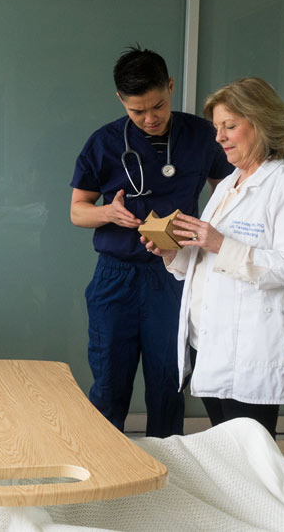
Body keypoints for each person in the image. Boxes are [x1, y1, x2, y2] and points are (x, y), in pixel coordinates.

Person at [143, 77, 284, 439]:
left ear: (260, 124)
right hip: (212, 343)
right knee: (227, 448)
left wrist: (220, 243)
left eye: (229, 126)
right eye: (216, 128)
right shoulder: (228, 184)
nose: (219, 137)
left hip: (253, 348)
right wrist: (173, 252)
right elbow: (209, 259)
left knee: (250, 454)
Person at [69, 46, 233, 437]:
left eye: (157, 106)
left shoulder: (201, 136)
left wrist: (209, 232)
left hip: (173, 275)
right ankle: (107, 465)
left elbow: (228, 191)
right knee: (109, 383)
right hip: (116, 277)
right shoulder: (104, 143)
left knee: (168, 384)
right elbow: (77, 211)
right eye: (137, 111)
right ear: (120, 100)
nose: (150, 118)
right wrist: (108, 214)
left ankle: (167, 468)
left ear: (170, 86)